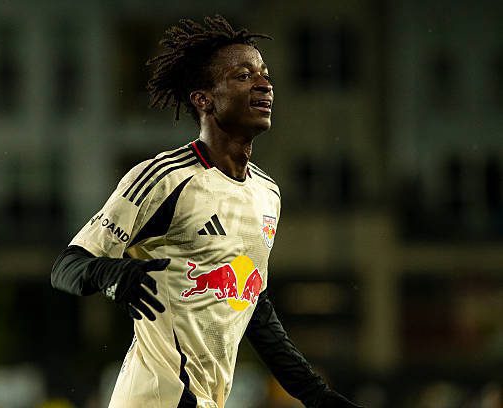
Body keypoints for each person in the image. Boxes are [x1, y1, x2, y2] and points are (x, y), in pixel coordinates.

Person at [51, 15, 363, 408]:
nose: (264, 84)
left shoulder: (267, 194)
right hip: (156, 399)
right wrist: (111, 273)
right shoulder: (164, 178)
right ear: (204, 99)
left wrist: (317, 396)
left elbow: (255, 309)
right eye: (244, 76)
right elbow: (66, 267)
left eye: (265, 75)